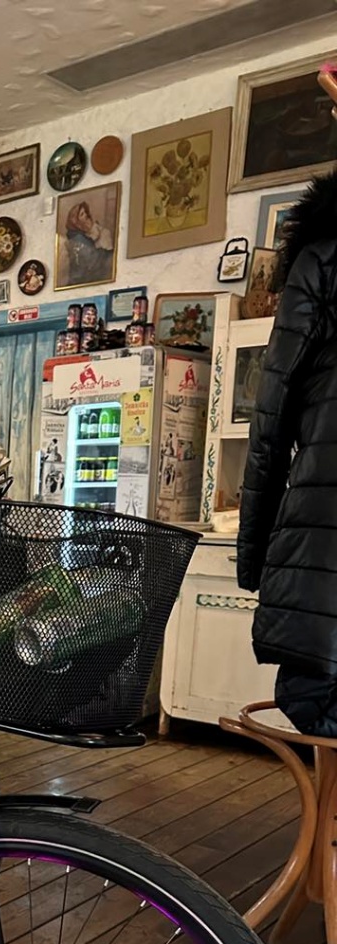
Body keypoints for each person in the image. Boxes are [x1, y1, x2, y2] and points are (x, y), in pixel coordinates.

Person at [237, 168, 337, 736]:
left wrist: (254, 562)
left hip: (321, 557)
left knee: (319, 703)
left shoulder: (323, 260)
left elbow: (270, 425)